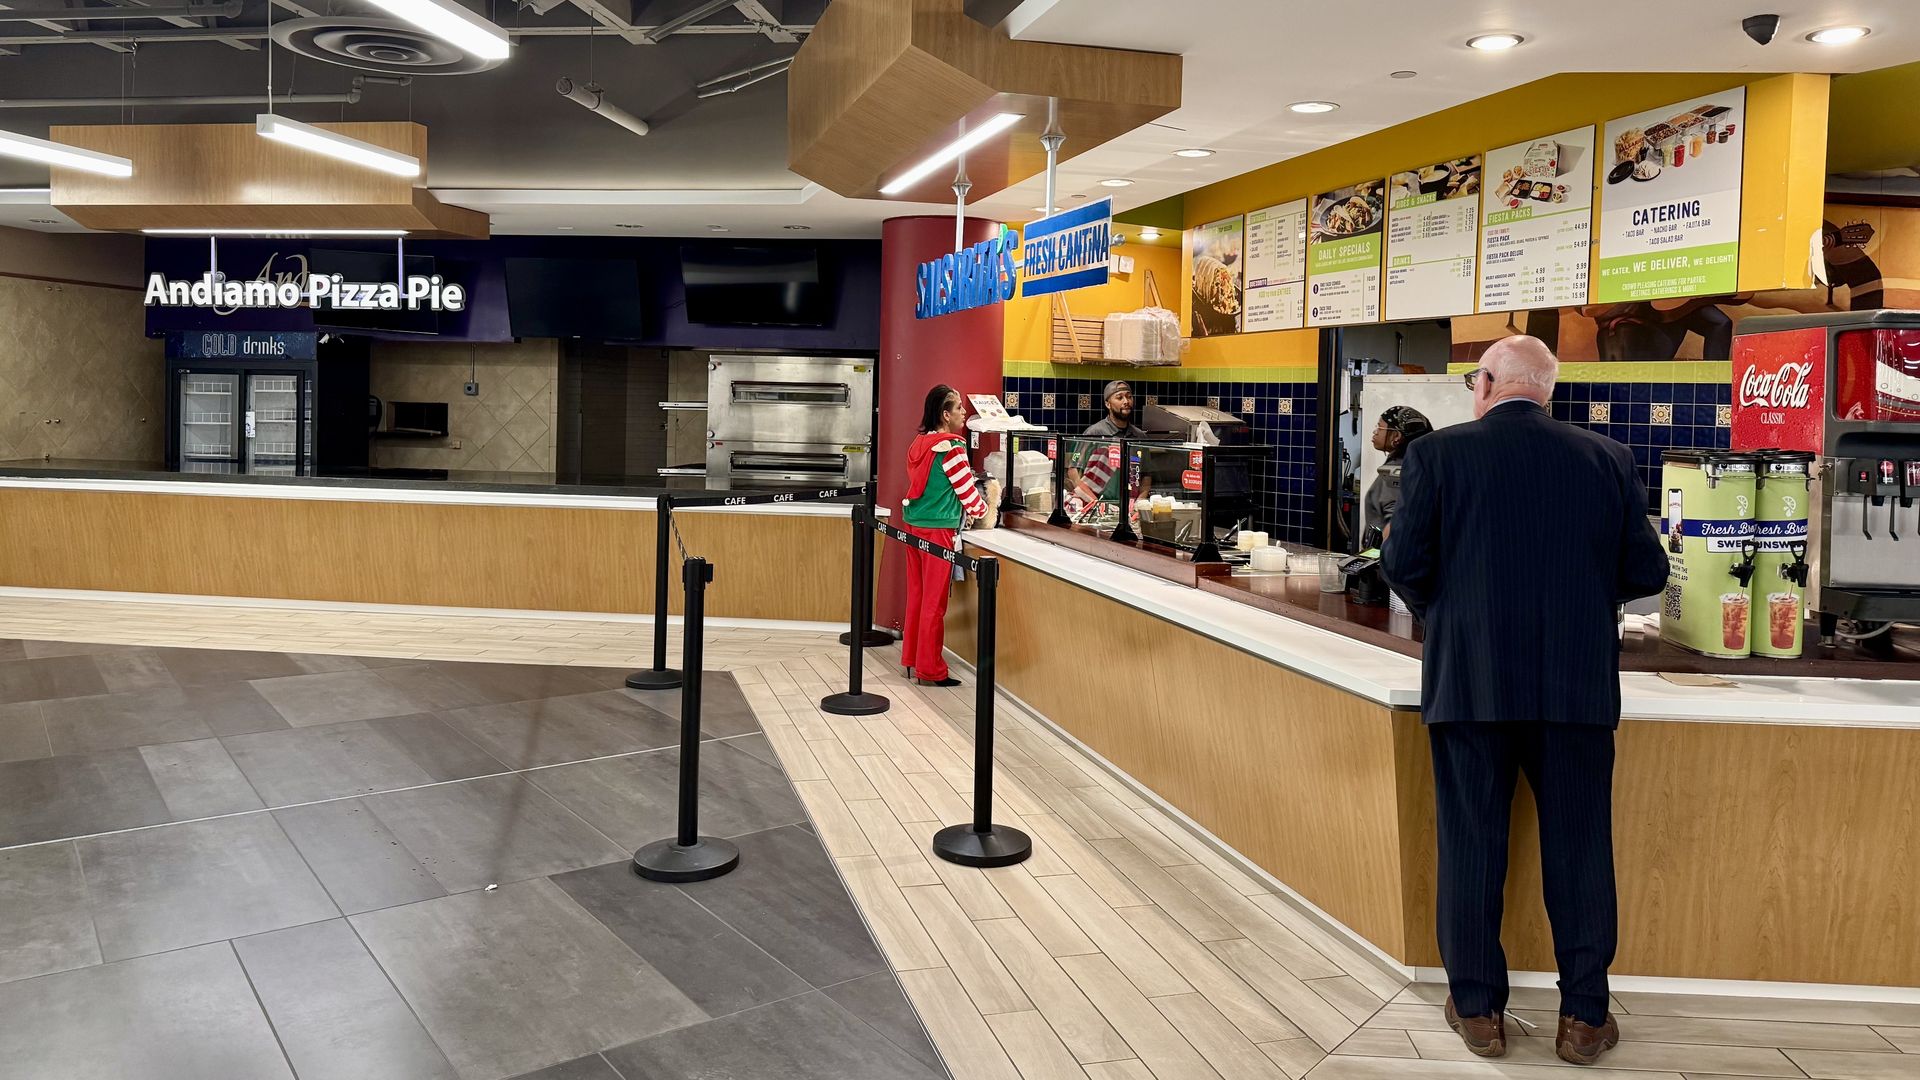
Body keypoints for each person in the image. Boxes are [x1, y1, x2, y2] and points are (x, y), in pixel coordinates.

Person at [1380, 336, 1668, 1067]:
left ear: (1486, 384)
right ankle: (1584, 1018)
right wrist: (1582, 595)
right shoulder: (1607, 458)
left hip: (1471, 683)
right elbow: (1646, 571)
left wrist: (1450, 615)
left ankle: (1479, 1011)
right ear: (1547, 389)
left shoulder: (1437, 455)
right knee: (1580, 849)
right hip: (1576, 688)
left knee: (1472, 845)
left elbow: (1402, 563)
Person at [901, 385, 988, 688]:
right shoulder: (951, 447)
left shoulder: (918, 443)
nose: (964, 412)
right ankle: (931, 669)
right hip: (938, 529)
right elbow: (968, 494)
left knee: (917, 596)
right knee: (934, 603)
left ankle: (911, 659)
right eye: (959, 407)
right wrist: (985, 510)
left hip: (913, 524)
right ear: (945, 414)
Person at [1069, 381, 1146, 512]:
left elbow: (1146, 476)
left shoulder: (1139, 436)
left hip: (1129, 510)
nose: (1126, 401)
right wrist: (1095, 503)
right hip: (1097, 508)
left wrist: (1139, 503)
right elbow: (1073, 471)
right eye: (1119, 398)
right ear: (1107, 404)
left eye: (1129, 397)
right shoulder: (1093, 433)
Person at [1364, 405, 1432, 540]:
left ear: (1396, 436)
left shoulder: (1395, 473)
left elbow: (1397, 525)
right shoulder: (1420, 464)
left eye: (1380, 428)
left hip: (1386, 551)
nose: (1375, 432)